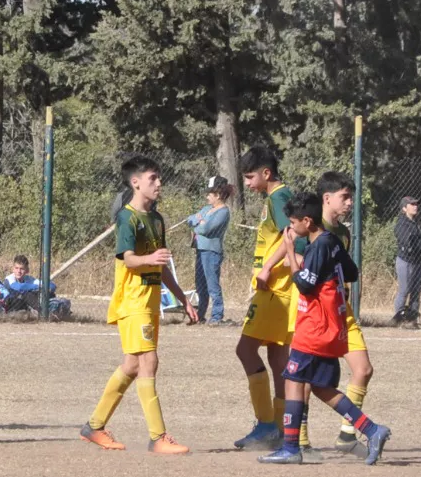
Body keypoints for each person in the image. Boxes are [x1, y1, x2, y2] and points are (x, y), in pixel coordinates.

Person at [257, 192, 391, 465]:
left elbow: (304, 284)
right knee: (321, 387)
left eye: (294, 223)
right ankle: (372, 430)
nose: (291, 229)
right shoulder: (332, 242)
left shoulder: (317, 246)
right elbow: (351, 272)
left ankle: (291, 448)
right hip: (332, 326)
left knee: (294, 380)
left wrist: (293, 254)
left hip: (315, 327)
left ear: (307, 221)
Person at [81, 156, 198, 456]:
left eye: (159, 179)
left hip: (151, 300)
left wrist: (183, 298)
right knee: (149, 361)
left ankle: (94, 426)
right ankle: (158, 437)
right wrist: (150, 260)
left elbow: (162, 267)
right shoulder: (127, 217)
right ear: (136, 183)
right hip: (133, 301)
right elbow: (128, 258)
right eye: (153, 179)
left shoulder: (157, 220)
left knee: (133, 364)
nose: (159, 184)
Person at [233, 147, 301, 450]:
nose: (247, 183)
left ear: (266, 173)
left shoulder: (278, 198)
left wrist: (268, 268)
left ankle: (266, 425)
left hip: (275, 290)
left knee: (245, 350)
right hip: (279, 288)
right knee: (277, 358)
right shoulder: (275, 199)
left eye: (250, 177)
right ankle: (279, 426)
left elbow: (293, 234)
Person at [304, 171, 376, 456]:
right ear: (326, 198)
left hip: (340, 312)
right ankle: (299, 439)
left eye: (351, 197)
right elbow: (295, 261)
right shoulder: (309, 227)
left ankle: (348, 436)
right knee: (306, 379)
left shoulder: (343, 234)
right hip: (316, 314)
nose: (349, 203)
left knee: (363, 369)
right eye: (344, 197)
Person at [187, 176, 233, 325]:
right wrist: (199, 221)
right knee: (200, 285)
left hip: (212, 253)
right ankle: (200, 315)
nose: (207, 197)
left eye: (209, 194)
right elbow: (191, 219)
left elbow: (205, 229)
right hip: (200, 250)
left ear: (218, 195)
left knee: (212, 284)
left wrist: (199, 223)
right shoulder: (208, 209)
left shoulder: (223, 212)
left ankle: (217, 316)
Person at [393, 196, 421, 323]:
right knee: (404, 290)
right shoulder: (401, 224)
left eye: (416, 204)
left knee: (416, 292)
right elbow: (409, 243)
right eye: (412, 204)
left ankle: (412, 319)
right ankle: (399, 319)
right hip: (406, 261)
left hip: (419, 261)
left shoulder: (418, 223)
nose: (415, 206)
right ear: (404, 208)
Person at [4, 254, 71, 318]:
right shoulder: (9, 278)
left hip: (25, 304)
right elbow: (18, 287)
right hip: (11, 304)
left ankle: (56, 308)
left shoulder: (29, 279)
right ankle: (44, 312)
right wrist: (38, 287)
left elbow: (52, 286)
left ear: (27, 270)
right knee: (26, 294)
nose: (18, 271)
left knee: (49, 293)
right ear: (13, 269)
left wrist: (43, 288)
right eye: (16, 268)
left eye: (22, 269)